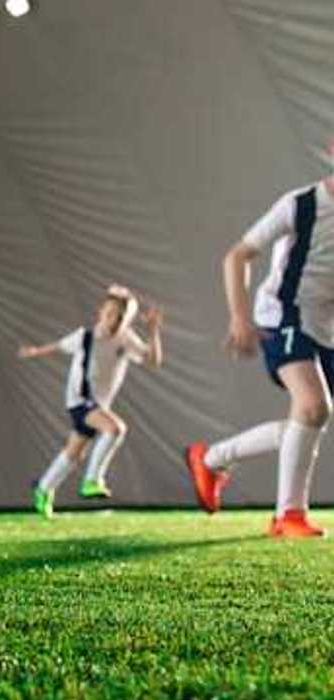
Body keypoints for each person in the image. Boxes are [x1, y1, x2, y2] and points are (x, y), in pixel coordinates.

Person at [186, 177, 334, 537]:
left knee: (304, 425)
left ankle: (210, 459)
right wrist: (240, 317)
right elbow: (237, 255)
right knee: (314, 407)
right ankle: (289, 515)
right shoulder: (300, 205)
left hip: (326, 325)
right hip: (283, 314)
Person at [19, 285, 163, 517]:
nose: (113, 320)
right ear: (100, 313)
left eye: (120, 316)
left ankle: (44, 489)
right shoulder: (84, 337)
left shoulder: (125, 340)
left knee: (74, 452)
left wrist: (154, 331)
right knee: (115, 428)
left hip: (99, 406)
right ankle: (92, 480)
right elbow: (58, 346)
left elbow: (154, 362)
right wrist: (35, 352)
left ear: (126, 320)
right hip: (80, 401)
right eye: (109, 314)